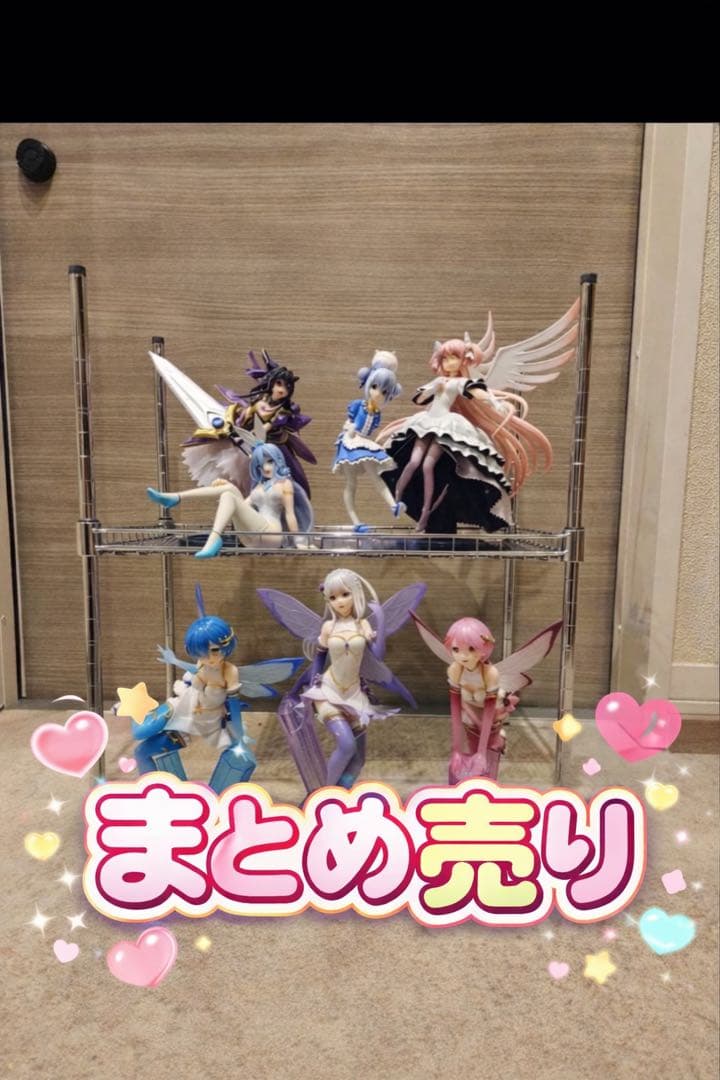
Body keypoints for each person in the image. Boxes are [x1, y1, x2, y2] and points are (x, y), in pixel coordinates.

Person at [147, 442, 313, 558]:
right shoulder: (260, 486)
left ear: (278, 460)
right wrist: (229, 488)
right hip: (250, 537)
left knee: (228, 494)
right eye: (261, 464)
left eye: (270, 461)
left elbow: (290, 514)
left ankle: (213, 538)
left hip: (271, 535)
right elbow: (243, 506)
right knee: (229, 492)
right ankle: (175, 497)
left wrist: (299, 541)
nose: (266, 467)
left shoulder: (285, 484)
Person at [332, 350, 405, 530]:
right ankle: (356, 522)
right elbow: (350, 422)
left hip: (363, 443)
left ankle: (393, 506)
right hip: (350, 443)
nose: (378, 393)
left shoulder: (377, 413)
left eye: (384, 392)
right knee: (351, 483)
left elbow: (367, 430)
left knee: (375, 476)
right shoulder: (358, 404)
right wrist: (349, 428)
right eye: (374, 387)